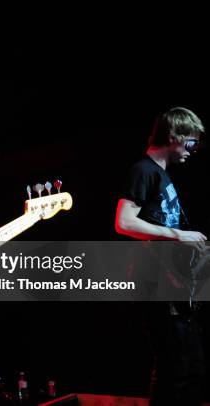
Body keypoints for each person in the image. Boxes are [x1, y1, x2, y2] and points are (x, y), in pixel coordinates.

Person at [115, 107, 207, 405]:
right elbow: (124, 222)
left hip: (174, 287)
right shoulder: (144, 170)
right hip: (155, 287)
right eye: (191, 143)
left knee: (191, 368)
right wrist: (180, 236)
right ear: (173, 137)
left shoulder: (162, 176)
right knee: (174, 370)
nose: (194, 151)